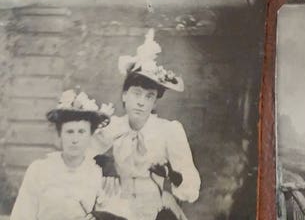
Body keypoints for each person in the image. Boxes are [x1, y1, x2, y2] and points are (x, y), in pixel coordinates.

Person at [91, 29, 201, 220]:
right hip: (116, 207)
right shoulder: (112, 127)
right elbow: (81, 156)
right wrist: (105, 165)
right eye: (136, 93)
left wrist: (170, 175)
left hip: (154, 210)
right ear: (124, 95)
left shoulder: (168, 131)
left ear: (155, 102)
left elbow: (191, 186)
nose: (142, 102)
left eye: (149, 96)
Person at [10, 88, 120, 220]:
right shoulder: (39, 170)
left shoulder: (96, 174)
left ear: (90, 135)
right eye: (69, 132)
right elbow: (21, 215)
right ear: (59, 135)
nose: (75, 139)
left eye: (81, 132)